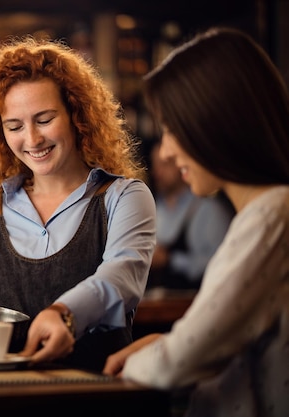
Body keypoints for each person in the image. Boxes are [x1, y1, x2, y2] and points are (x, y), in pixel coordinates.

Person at [103, 27, 289, 417]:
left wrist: (130, 365)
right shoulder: (265, 213)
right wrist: (162, 343)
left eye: (172, 130)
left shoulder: (273, 214)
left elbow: (179, 361)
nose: (167, 152)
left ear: (214, 122)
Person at [0, 37, 156, 371]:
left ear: (77, 115)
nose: (32, 140)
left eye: (44, 120)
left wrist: (63, 313)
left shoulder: (124, 197)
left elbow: (121, 278)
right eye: (14, 126)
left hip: (97, 397)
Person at [146, 140, 234, 290]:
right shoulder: (149, 208)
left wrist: (170, 260)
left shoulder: (209, 210)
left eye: (165, 164)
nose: (158, 172)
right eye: (155, 166)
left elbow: (222, 265)